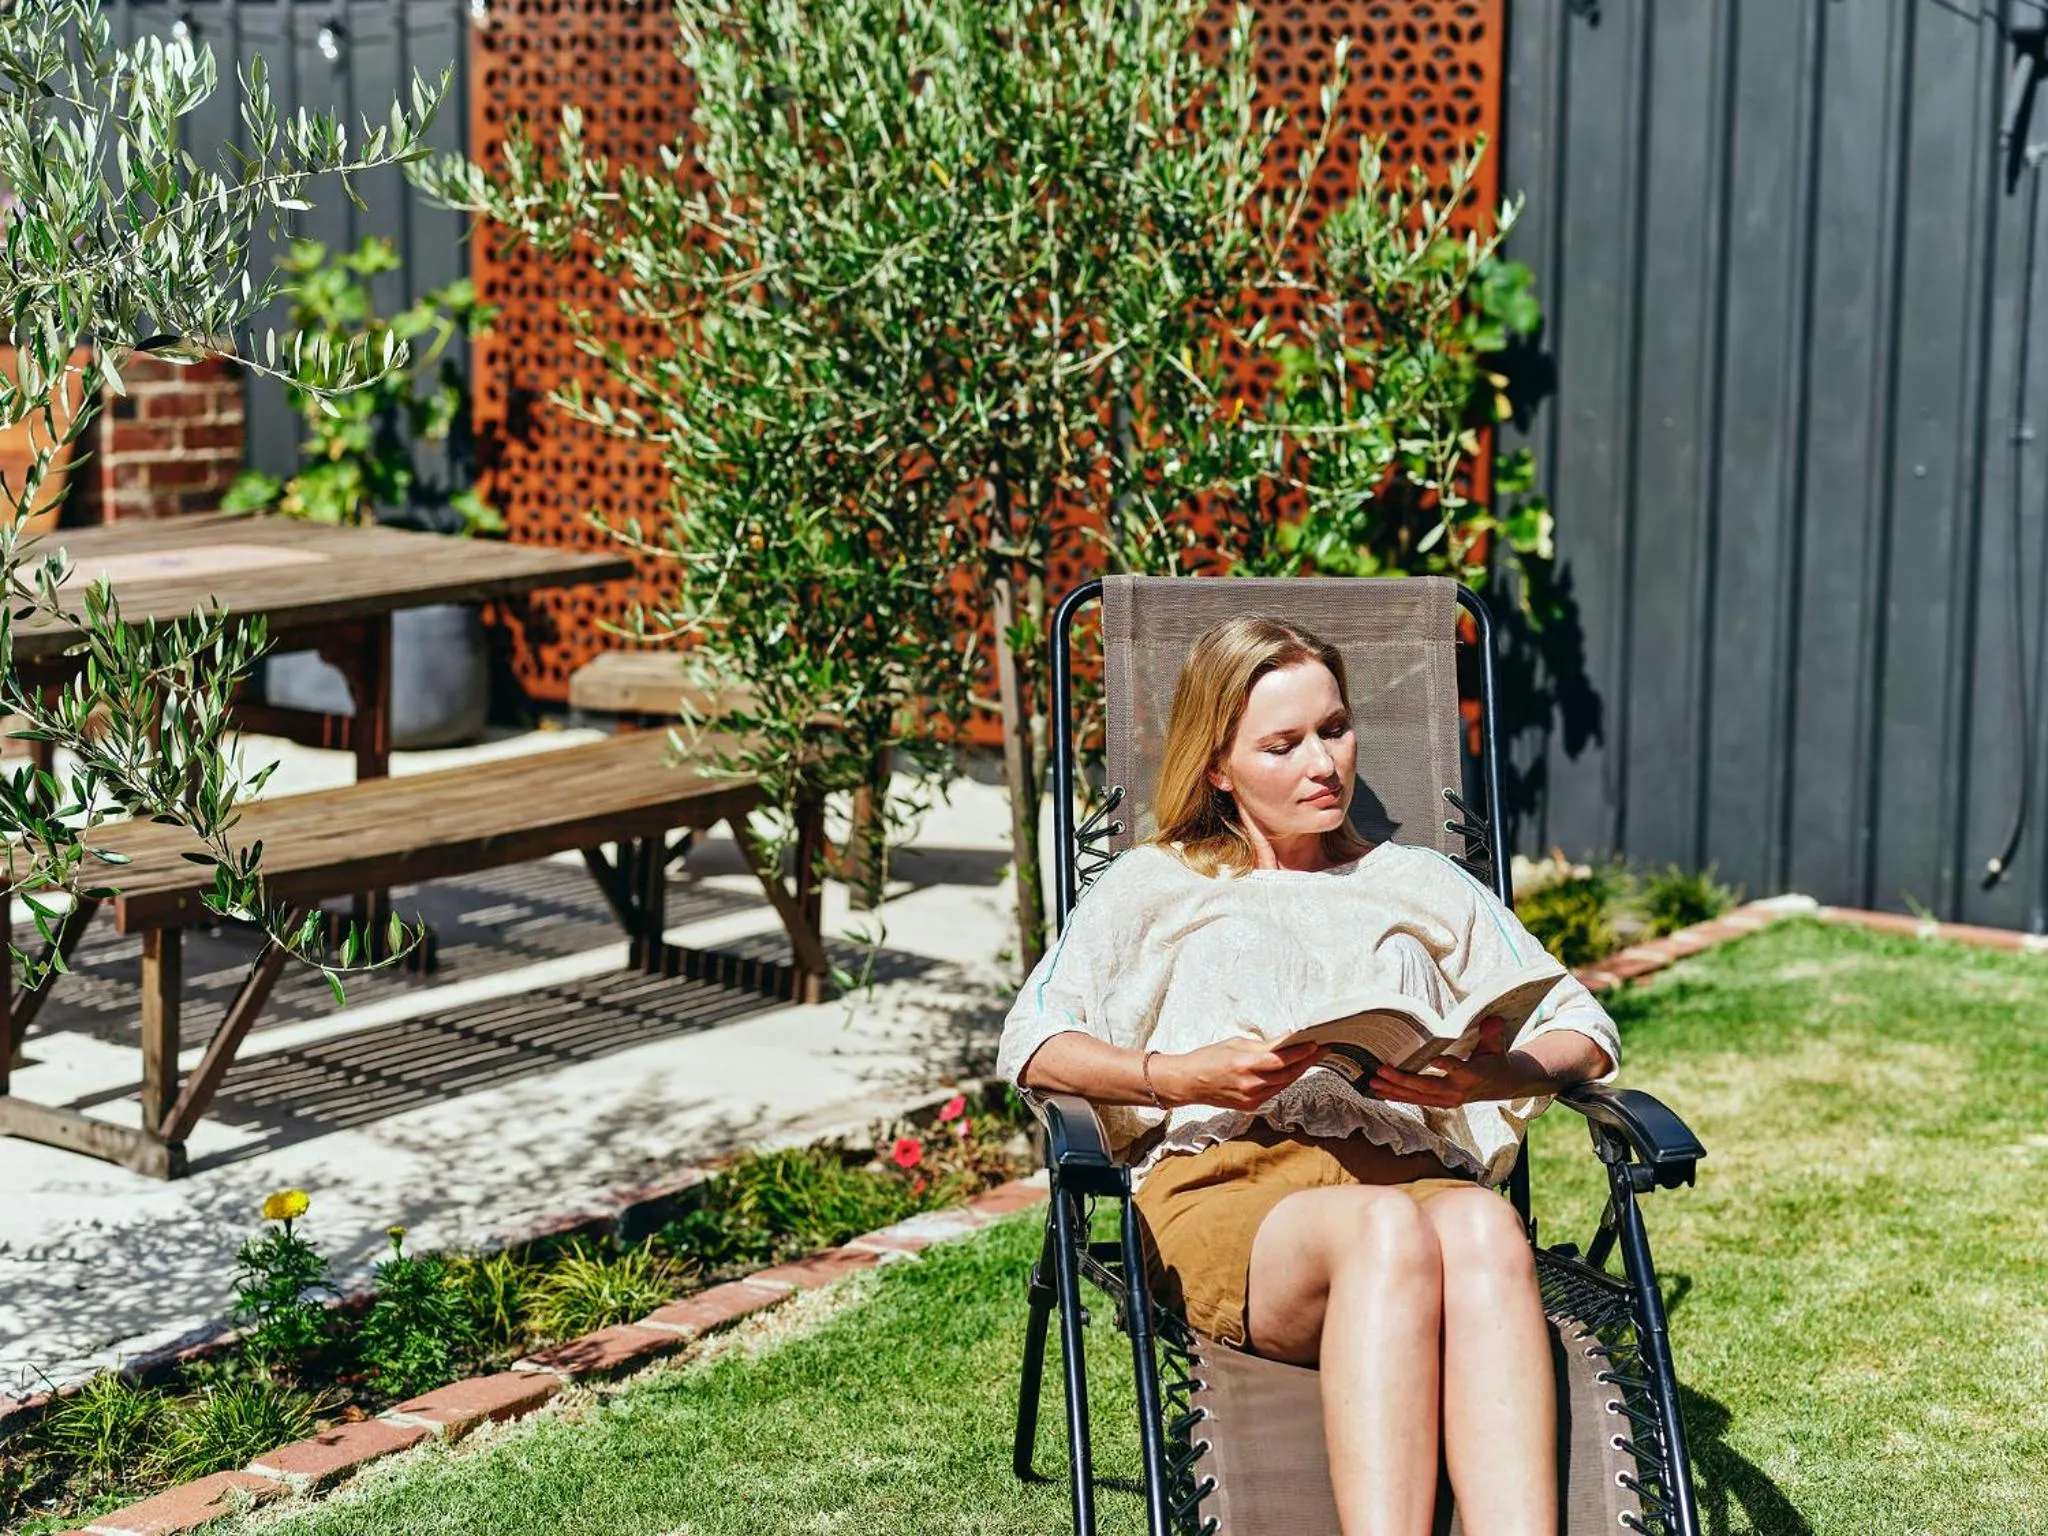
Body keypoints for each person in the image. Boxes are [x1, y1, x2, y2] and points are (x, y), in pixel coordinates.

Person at [998, 614, 1620, 1536]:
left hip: (1409, 1175)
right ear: (1218, 766)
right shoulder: (1155, 884)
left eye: (1334, 729)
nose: (1323, 764)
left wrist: (1488, 1077)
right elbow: (1034, 1043)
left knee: (1489, 1226)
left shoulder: (1423, 881)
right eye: (1282, 744)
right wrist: (1180, 1077)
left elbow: (1585, 1026)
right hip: (1230, 1188)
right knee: (1383, 1231)